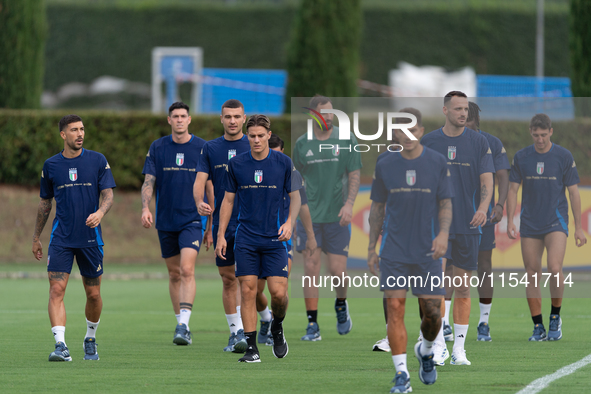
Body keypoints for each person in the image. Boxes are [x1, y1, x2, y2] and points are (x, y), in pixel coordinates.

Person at [368, 108, 452, 393]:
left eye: (410, 129)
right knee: (395, 308)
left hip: (427, 251)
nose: (404, 134)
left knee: (433, 313)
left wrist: (442, 234)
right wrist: (371, 248)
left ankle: (426, 350)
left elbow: (445, 204)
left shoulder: (437, 162)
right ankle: (402, 375)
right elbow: (377, 208)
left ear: (419, 132)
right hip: (393, 251)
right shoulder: (384, 163)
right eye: (399, 129)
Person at [216, 114, 299, 363]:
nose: (256, 140)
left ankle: (277, 326)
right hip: (246, 239)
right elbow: (228, 201)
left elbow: (296, 197)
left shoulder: (284, 163)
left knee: (278, 294)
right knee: (248, 291)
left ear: (269, 135)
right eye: (251, 136)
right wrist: (221, 235)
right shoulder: (237, 164)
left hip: (275, 239)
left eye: (260, 136)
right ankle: (252, 349)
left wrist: (289, 223)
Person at [32, 114, 116, 362]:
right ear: (63, 135)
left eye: (82, 129)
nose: (80, 134)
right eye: (74, 130)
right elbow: (44, 203)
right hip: (61, 239)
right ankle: (61, 346)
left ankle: (90, 337)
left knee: (93, 294)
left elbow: (108, 194)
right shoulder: (51, 165)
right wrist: (36, 236)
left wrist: (100, 213)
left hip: (90, 238)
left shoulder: (97, 160)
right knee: (56, 289)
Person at [421, 91, 494, 366]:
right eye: (458, 109)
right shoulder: (429, 141)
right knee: (437, 285)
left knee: (462, 287)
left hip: (468, 224)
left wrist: (483, 207)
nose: (464, 113)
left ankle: (459, 350)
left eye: (466, 109)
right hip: (436, 226)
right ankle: (438, 344)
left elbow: (487, 180)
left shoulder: (479, 142)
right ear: (445, 110)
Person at [507, 113, 587, 341]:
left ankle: (554, 317)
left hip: (556, 222)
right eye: (536, 135)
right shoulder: (522, 157)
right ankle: (537, 326)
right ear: (530, 132)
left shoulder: (563, 156)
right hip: (530, 223)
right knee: (532, 274)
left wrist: (579, 228)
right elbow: (512, 190)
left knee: (554, 268)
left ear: (551, 132)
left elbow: (573, 192)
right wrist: (511, 220)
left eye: (544, 134)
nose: (540, 139)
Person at [293, 95, 362, 341]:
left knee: (337, 272)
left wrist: (350, 205)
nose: (330, 117)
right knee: (311, 270)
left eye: (332, 112)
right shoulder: (302, 144)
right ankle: (313, 325)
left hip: (337, 218)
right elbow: (294, 184)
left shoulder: (346, 139)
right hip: (308, 219)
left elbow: (354, 174)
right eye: (324, 113)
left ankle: (341, 305)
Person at [141, 101, 208, 345]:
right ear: (169, 120)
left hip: (192, 219)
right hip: (165, 220)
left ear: (189, 120)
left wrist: (210, 223)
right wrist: (145, 208)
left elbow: (209, 185)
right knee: (174, 273)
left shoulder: (202, 147)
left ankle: (183, 325)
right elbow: (149, 181)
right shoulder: (158, 147)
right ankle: (180, 323)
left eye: (183, 116)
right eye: (175, 116)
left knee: (187, 269)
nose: (179, 120)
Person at [194, 99, 250, 353]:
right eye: (228, 116)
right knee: (228, 279)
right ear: (221, 119)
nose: (232, 121)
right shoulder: (210, 148)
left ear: (244, 118)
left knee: (252, 282)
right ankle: (235, 333)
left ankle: (266, 322)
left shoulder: (254, 144)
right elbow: (200, 180)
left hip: (252, 224)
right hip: (223, 226)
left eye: (237, 116)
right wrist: (199, 202)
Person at [261, 134, 317, 346]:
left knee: (279, 290)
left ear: (282, 152)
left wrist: (310, 236)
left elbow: (302, 206)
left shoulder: (291, 174)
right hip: (255, 237)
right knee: (255, 291)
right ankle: (266, 317)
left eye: (277, 153)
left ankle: (276, 325)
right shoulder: (254, 171)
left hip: (283, 239)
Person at [464, 101, 510, 342]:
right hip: (453, 215)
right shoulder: (446, 140)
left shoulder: (491, 143)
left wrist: (500, 205)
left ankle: (483, 322)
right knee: (450, 268)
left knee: (484, 266)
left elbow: (503, 176)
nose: (463, 125)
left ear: (476, 122)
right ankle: (445, 324)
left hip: (483, 216)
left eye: (468, 121)